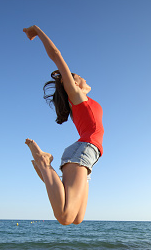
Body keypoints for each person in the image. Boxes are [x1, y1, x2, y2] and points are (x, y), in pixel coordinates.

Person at [23, 25, 104, 225]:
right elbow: (56, 55)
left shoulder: (83, 100)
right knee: (66, 218)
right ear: (74, 85)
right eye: (79, 77)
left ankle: (45, 167)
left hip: (87, 154)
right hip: (83, 151)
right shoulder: (76, 97)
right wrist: (37, 31)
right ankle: (44, 163)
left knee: (77, 219)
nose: (84, 78)